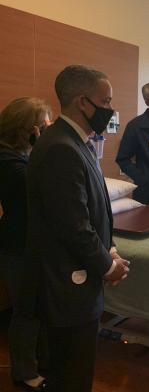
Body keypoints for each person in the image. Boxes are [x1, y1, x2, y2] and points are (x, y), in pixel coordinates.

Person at [26, 65, 130, 392]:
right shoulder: (60, 147)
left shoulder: (80, 142)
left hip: (79, 285)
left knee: (79, 370)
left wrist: (109, 248)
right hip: (66, 285)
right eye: (106, 100)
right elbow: (74, 226)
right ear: (83, 102)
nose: (111, 110)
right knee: (71, 374)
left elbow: (92, 208)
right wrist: (108, 266)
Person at [0, 97, 52, 391]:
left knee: (38, 309)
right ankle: (24, 372)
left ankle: (41, 360)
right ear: (28, 127)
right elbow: (39, 188)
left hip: (30, 243)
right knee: (26, 312)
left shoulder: (21, 155)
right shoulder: (8, 161)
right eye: (44, 124)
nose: (47, 129)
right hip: (17, 246)